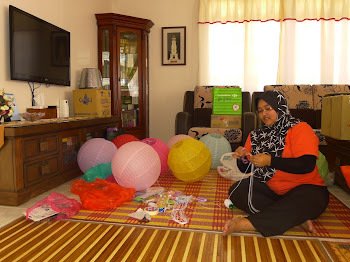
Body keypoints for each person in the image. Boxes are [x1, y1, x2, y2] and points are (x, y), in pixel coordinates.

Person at [223, 90, 329, 237]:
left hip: (306, 188)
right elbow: (245, 167)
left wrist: (270, 160)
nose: (264, 114)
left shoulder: (300, 128)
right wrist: (242, 157)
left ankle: (247, 224)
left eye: (268, 108)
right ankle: (295, 218)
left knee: (309, 200)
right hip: (272, 191)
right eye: (260, 111)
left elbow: (306, 165)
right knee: (237, 191)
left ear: (280, 107)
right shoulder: (256, 135)